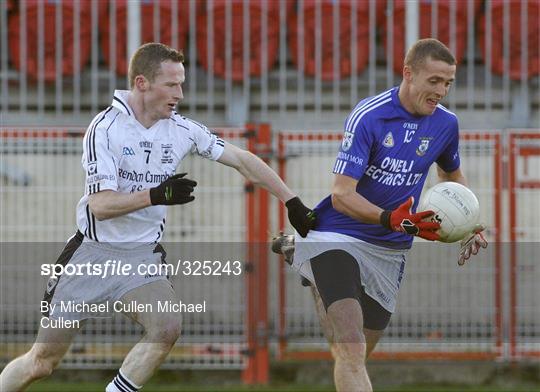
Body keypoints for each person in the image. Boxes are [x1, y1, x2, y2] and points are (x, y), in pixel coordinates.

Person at [0, 42, 315, 392]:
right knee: (41, 362)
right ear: (142, 83)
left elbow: (242, 160)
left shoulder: (181, 129)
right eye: (172, 84)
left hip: (140, 257)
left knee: (166, 326)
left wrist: (292, 200)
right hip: (90, 255)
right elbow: (99, 206)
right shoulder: (104, 129)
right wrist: (155, 195)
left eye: (182, 84)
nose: (180, 93)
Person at [272, 38, 488, 392]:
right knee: (352, 348)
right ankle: (313, 256)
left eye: (448, 82)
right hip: (339, 235)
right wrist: (393, 219)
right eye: (434, 81)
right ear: (408, 74)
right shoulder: (370, 115)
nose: (441, 91)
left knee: (349, 354)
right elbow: (342, 196)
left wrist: (468, 223)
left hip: (390, 250)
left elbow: (450, 176)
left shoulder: (446, 124)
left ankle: (301, 254)